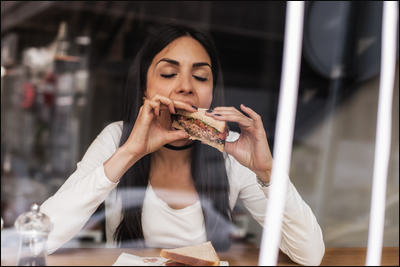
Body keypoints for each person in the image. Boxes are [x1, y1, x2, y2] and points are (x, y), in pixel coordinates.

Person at [40, 21, 325, 265]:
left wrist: (267, 172)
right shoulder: (118, 138)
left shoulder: (234, 151)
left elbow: (310, 255)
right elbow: (40, 240)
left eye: (200, 76)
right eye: (168, 74)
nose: (186, 86)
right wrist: (129, 153)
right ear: (144, 88)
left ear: (211, 92)